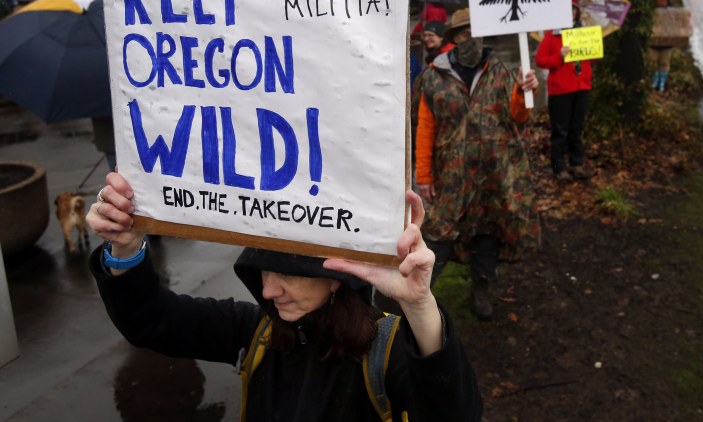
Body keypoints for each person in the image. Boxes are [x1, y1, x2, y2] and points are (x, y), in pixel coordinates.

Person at [87, 173, 482, 421]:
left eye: (288, 273)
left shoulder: (386, 351)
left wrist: (419, 306)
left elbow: (458, 413)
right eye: (263, 271)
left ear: (335, 276)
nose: (269, 290)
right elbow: (151, 321)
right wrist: (125, 248)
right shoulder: (255, 332)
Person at [414, 7, 541, 321]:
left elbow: (517, 116)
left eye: (477, 32)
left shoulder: (498, 70)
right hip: (451, 174)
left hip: (491, 172)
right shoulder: (434, 77)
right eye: (466, 33)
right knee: (438, 234)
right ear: (455, 38)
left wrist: (523, 94)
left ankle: (481, 289)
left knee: (487, 233)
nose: (472, 39)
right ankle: (417, 296)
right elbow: (425, 128)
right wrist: (424, 175)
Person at [535, 0, 593, 182]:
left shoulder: (584, 33)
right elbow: (540, 60)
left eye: (573, 10)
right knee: (560, 131)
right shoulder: (552, 36)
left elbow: (590, 61)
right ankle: (558, 167)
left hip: (581, 87)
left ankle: (576, 164)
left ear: (577, 12)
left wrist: (594, 52)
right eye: (566, 10)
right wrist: (559, 57)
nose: (570, 13)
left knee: (577, 128)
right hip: (560, 90)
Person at [649, 0, 674, 92]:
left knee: (664, 63)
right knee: (652, 61)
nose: (661, 1)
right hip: (653, 43)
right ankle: (654, 80)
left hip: (666, 44)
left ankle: (662, 83)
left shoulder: (671, 13)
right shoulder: (651, 12)